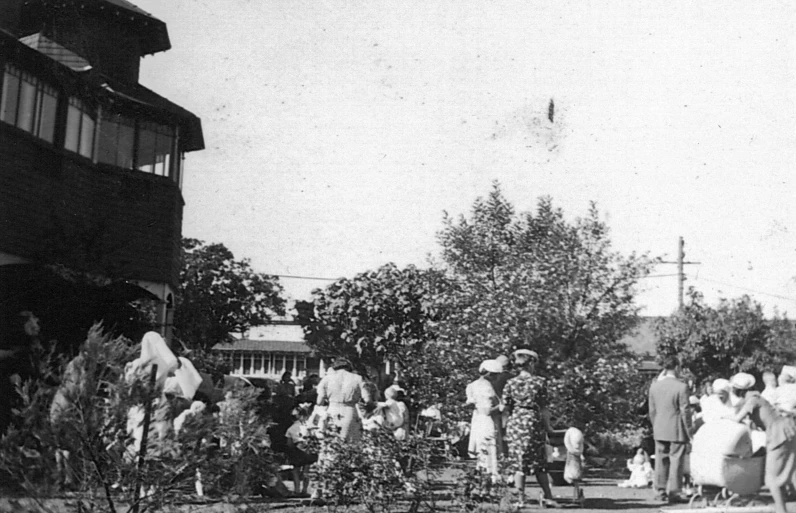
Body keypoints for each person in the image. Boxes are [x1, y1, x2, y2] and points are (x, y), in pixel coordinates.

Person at [724, 372, 796, 513]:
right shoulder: (756, 398)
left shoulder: (753, 399)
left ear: (740, 390)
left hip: (778, 435)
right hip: (786, 431)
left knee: (772, 478)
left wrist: (723, 418)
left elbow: (738, 418)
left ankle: (781, 511)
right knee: (787, 474)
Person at [503, 349, 557, 508]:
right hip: (533, 422)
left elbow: (505, 408)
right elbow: (544, 408)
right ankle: (548, 496)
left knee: (519, 464)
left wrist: (506, 428)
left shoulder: (510, 383)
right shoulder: (539, 382)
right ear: (531, 363)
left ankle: (520, 499)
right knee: (539, 462)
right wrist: (549, 428)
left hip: (516, 423)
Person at [648, 355, 690, 503]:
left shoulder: (654, 386)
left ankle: (659, 491)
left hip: (659, 427)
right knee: (676, 461)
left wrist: (656, 424)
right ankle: (674, 492)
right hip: (676, 428)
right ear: (677, 368)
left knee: (660, 461)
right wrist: (689, 431)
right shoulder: (681, 387)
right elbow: (685, 411)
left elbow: (652, 411)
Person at [316, 358, 373, 443]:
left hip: (332, 410)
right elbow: (368, 400)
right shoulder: (358, 378)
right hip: (349, 411)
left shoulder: (327, 379)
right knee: (350, 442)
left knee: (331, 441)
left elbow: (319, 401)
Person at [466, 359, 503, 483]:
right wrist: (502, 405)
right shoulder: (487, 387)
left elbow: (471, 404)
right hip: (487, 420)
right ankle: (490, 476)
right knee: (489, 446)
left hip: (477, 420)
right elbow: (487, 410)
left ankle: (482, 474)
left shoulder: (472, 385)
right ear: (490, 374)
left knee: (482, 448)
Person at [285, 405, 319, 497]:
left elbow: (289, 443)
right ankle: (304, 490)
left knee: (296, 470)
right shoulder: (309, 425)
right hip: (308, 447)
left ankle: (297, 490)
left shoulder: (290, 429)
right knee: (306, 470)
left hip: (297, 448)